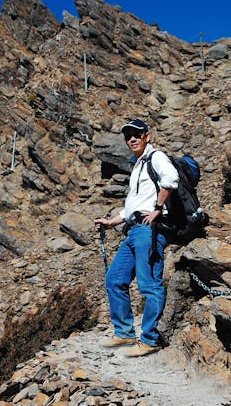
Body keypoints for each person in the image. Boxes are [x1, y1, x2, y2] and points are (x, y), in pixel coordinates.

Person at [94, 118, 179, 357]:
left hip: (150, 229)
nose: (131, 139)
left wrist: (158, 208)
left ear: (146, 136)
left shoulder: (157, 157)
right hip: (134, 228)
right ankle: (124, 333)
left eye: (136, 135)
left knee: (148, 284)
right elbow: (134, 203)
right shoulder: (138, 165)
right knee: (114, 279)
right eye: (128, 136)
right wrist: (112, 221)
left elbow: (171, 179)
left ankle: (150, 339)